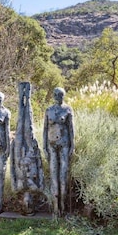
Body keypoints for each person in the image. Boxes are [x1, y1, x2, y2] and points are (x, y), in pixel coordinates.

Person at [43, 87, 74, 216]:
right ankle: (56, 206)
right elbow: (45, 130)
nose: (57, 96)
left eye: (60, 94)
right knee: (53, 174)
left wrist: (72, 145)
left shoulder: (67, 109)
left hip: (64, 144)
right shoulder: (48, 110)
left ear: (63, 96)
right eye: (55, 94)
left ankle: (63, 204)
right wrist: (44, 147)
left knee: (63, 175)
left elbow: (71, 129)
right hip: (51, 145)